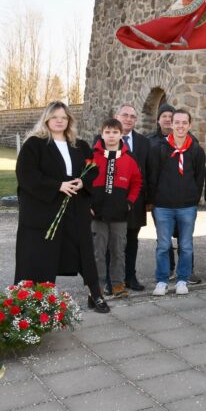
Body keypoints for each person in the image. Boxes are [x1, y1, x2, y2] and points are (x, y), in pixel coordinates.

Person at [14, 101, 108, 312]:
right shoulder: (34, 144)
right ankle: (37, 301)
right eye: (55, 116)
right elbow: (27, 176)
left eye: (64, 117)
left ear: (69, 121)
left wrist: (83, 182)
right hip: (46, 209)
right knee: (41, 255)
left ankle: (95, 294)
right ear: (47, 119)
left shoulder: (79, 145)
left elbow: (92, 169)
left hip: (76, 207)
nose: (59, 120)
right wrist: (58, 185)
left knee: (83, 249)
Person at [147, 109, 205, 296]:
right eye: (176, 122)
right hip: (163, 206)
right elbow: (152, 176)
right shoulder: (159, 148)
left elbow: (199, 177)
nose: (180, 126)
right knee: (163, 245)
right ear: (170, 124)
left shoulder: (196, 150)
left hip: (187, 206)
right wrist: (155, 201)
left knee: (186, 245)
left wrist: (192, 199)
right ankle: (162, 280)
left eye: (184, 122)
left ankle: (182, 279)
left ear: (189, 125)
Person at [90, 118, 142, 299]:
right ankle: (97, 286)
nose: (111, 136)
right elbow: (83, 182)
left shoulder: (129, 159)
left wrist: (129, 202)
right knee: (98, 252)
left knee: (118, 250)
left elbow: (137, 182)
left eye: (115, 132)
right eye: (107, 132)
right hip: (97, 213)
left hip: (119, 214)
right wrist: (88, 204)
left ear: (121, 134)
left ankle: (118, 285)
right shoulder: (92, 156)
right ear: (102, 134)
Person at [114, 104, 151, 291]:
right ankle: (113, 280)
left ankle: (130, 277)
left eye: (132, 116)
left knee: (132, 240)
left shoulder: (144, 142)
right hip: (111, 201)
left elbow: (148, 172)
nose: (128, 119)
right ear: (116, 116)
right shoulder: (104, 139)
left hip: (135, 201)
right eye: (125, 115)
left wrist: (149, 199)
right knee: (112, 242)